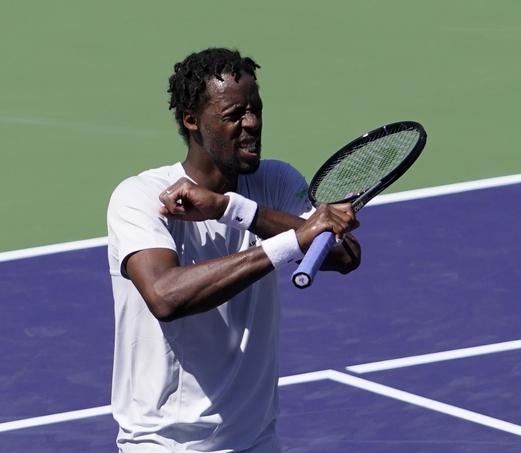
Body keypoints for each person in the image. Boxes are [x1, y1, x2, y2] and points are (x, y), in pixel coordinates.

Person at [107, 48, 361, 452]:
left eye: (255, 110)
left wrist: (231, 209)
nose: (252, 124)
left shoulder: (274, 182)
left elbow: (343, 255)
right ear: (192, 120)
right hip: (166, 445)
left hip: (256, 438)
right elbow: (166, 296)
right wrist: (292, 239)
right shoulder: (138, 198)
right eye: (233, 116)